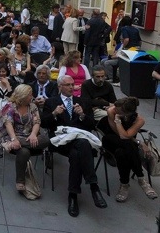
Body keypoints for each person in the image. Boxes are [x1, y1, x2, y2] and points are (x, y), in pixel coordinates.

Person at [41, 75, 107, 217]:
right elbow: (43, 124)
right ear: (60, 87)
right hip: (61, 141)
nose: (72, 87)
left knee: (77, 154)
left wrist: (82, 115)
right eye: (68, 85)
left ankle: (73, 195)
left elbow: (92, 125)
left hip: (80, 140)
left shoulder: (82, 102)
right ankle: (93, 186)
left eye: (73, 84)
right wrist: (54, 114)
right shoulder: (52, 102)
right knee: (82, 146)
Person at [102, 97, 158, 202]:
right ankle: (141, 179)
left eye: (117, 110)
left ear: (126, 113)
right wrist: (139, 142)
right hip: (110, 139)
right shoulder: (111, 111)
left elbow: (126, 136)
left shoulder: (139, 120)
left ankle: (124, 184)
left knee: (121, 153)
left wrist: (136, 141)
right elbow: (121, 135)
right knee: (128, 144)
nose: (114, 109)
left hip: (126, 146)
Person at [0, 84, 50, 193]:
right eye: (30, 94)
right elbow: (8, 124)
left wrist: (34, 134)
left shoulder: (32, 106)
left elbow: (37, 122)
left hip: (29, 137)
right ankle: (20, 181)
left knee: (46, 139)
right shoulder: (10, 106)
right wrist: (14, 140)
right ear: (23, 96)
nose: (32, 96)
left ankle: (14, 145)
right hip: (12, 136)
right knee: (24, 152)